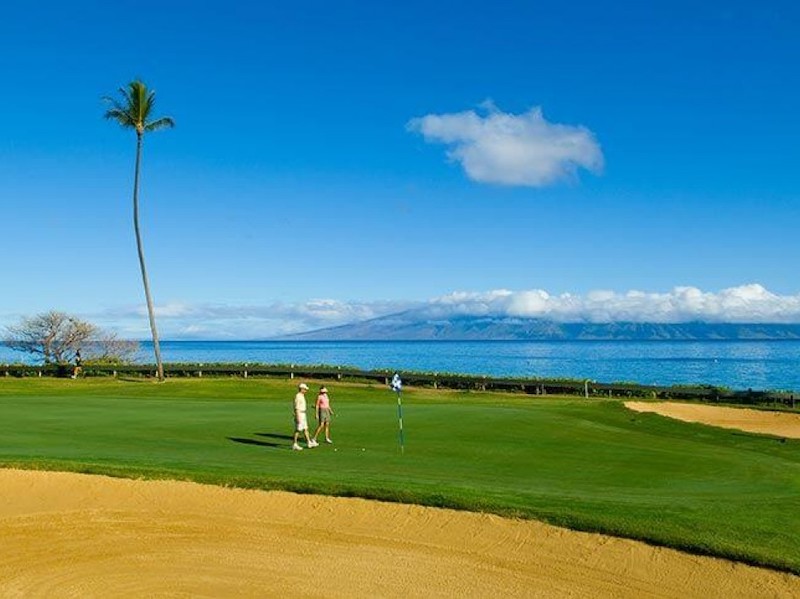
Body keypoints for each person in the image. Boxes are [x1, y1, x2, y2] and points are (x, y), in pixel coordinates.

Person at [292, 383, 318, 451]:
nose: (306, 390)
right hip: (299, 414)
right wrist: (297, 417)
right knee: (298, 430)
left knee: (305, 428)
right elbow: (296, 407)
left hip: (303, 414)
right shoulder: (298, 396)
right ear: (302, 389)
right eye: (305, 389)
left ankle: (309, 442)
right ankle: (295, 444)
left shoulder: (302, 396)